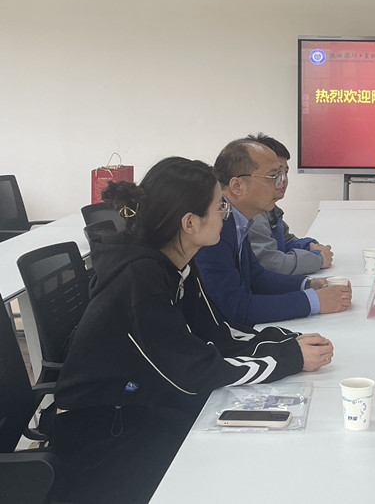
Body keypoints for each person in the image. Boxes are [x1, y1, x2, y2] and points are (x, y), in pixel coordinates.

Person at [53, 157, 334, 503]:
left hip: (143, 405)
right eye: (220, 207)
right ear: (189, 222)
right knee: (236, 468)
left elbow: (218, 334)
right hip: (103, 437)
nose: (226, 215)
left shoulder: (179, 264)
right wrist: (289, 358)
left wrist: (285, 342)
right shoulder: (138, 280)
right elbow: (194, 374)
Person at [194, 138, 351, 326]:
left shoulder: (238, 218)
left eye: (283, 174)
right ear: (237, 186)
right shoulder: (213, 228)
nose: (280, 184)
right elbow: (237, 309)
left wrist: (308, 284)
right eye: (272, 176)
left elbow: (257, 278)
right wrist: (314, 301)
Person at [246, 133, 334, 275]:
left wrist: (309, 246)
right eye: (275, 174)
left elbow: (285, 242)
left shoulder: (270, 208)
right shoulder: (251, 213)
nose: (283, 180)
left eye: (285, 172)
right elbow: (270, 263)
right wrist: (317, 259)